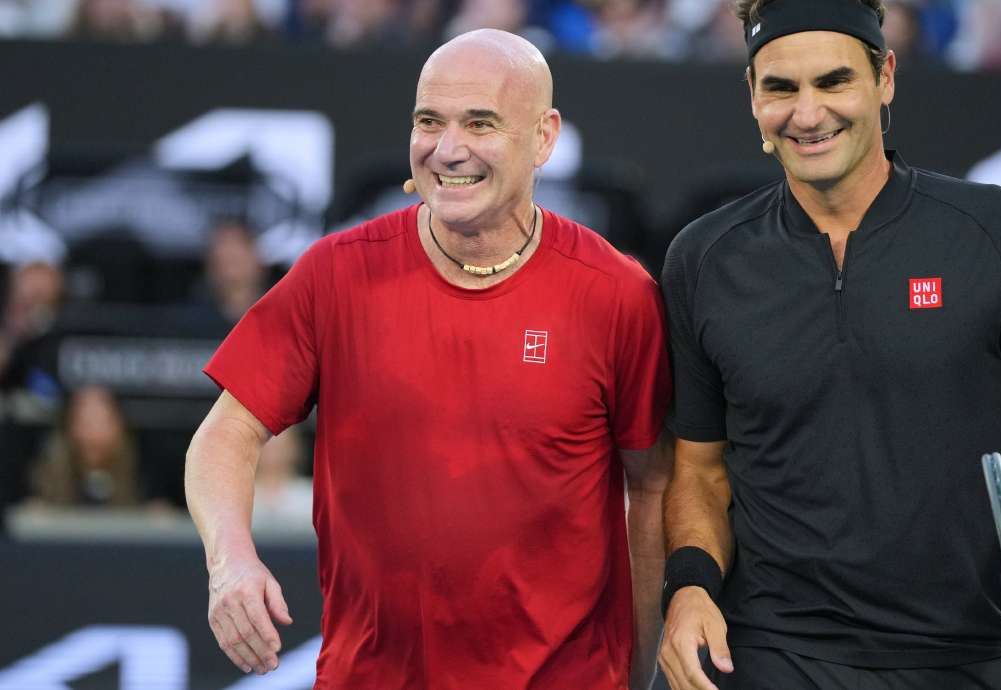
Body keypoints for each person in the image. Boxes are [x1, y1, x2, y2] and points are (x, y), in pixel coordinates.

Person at [185, 29, 672, 690]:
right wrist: (230, 561)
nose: (448, 149)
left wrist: (638, 671)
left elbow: (651, 485)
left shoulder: (617, 294)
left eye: (480, 123)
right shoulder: (336, 274)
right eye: (428, 121)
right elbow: (224, 437)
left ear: (544, 138)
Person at [656, 2, 1001, 689]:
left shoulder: (998, 233)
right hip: (769, 654)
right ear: (752, 94)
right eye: (781, 88)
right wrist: (689, 589)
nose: (807, 114)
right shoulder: (704, 259)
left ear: (886, 78)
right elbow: (698, 470)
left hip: (965, 657)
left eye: (833, 82)